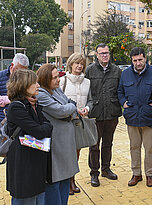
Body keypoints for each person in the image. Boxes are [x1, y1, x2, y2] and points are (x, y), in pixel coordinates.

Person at [118, 47, 152, 187]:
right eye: (135, 61)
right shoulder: (125, 74)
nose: (138, 63)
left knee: (150, 148)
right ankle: (136, 174)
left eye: (140, 59)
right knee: (134, 147)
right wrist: (123, 103)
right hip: (132, 117)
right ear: (131, 61)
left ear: (145, 58)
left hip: (150, 118)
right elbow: (120, 91)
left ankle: (149, 175)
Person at [6, 69, 53, 204]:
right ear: (24, 85)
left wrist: (44, 128)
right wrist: (45, 128)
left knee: (38, 198)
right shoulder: (16, 107)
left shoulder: (33, 104)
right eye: (35, 82)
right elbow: (41, 130)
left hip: (36, 162)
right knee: (25, 198)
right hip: (23, 164)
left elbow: (47, 126)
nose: (38, 85)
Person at [36, 64, 80, 205]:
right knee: (54, 181)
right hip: (55, 144)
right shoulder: (41, 94)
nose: (58, 80)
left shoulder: (55, 90)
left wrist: (69, 108)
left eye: (58, 76)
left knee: (65, 179)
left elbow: (67, 104)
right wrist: (72, 108)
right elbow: (61, 110)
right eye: (54, 77)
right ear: (44, 79)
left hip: (65, 143)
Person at [85, 43, 122, 187]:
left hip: (112, 113)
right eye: (101, 53)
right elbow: (85, 91)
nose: (104, 55)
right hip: (95, 113)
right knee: (94, 145)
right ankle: (94, 173)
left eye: (106, 53)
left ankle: (106, 169)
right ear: (97, 55)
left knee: (108, 143)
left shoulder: (117, 71)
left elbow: (121, 90)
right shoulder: (90, 71)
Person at [59, 52, 93, 195]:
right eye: (76, 63)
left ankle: (72, 180)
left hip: (80, 123)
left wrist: (87, 108)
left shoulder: (87, 82)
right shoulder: (63, 81)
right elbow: (57, 102)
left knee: (76, 154)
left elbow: (91, 100)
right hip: (66, 123)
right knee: (66, 153)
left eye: (81, 64)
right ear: (71, 64)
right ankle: (67, 181)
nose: (79, 66)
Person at [0, 53, 29, 121]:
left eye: (25, 71)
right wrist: (7, 99)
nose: (22, 74)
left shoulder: (27, 78)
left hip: (21, 118)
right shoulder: (1, 77)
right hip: (3, 119)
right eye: (19, 71)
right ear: (12, 65)